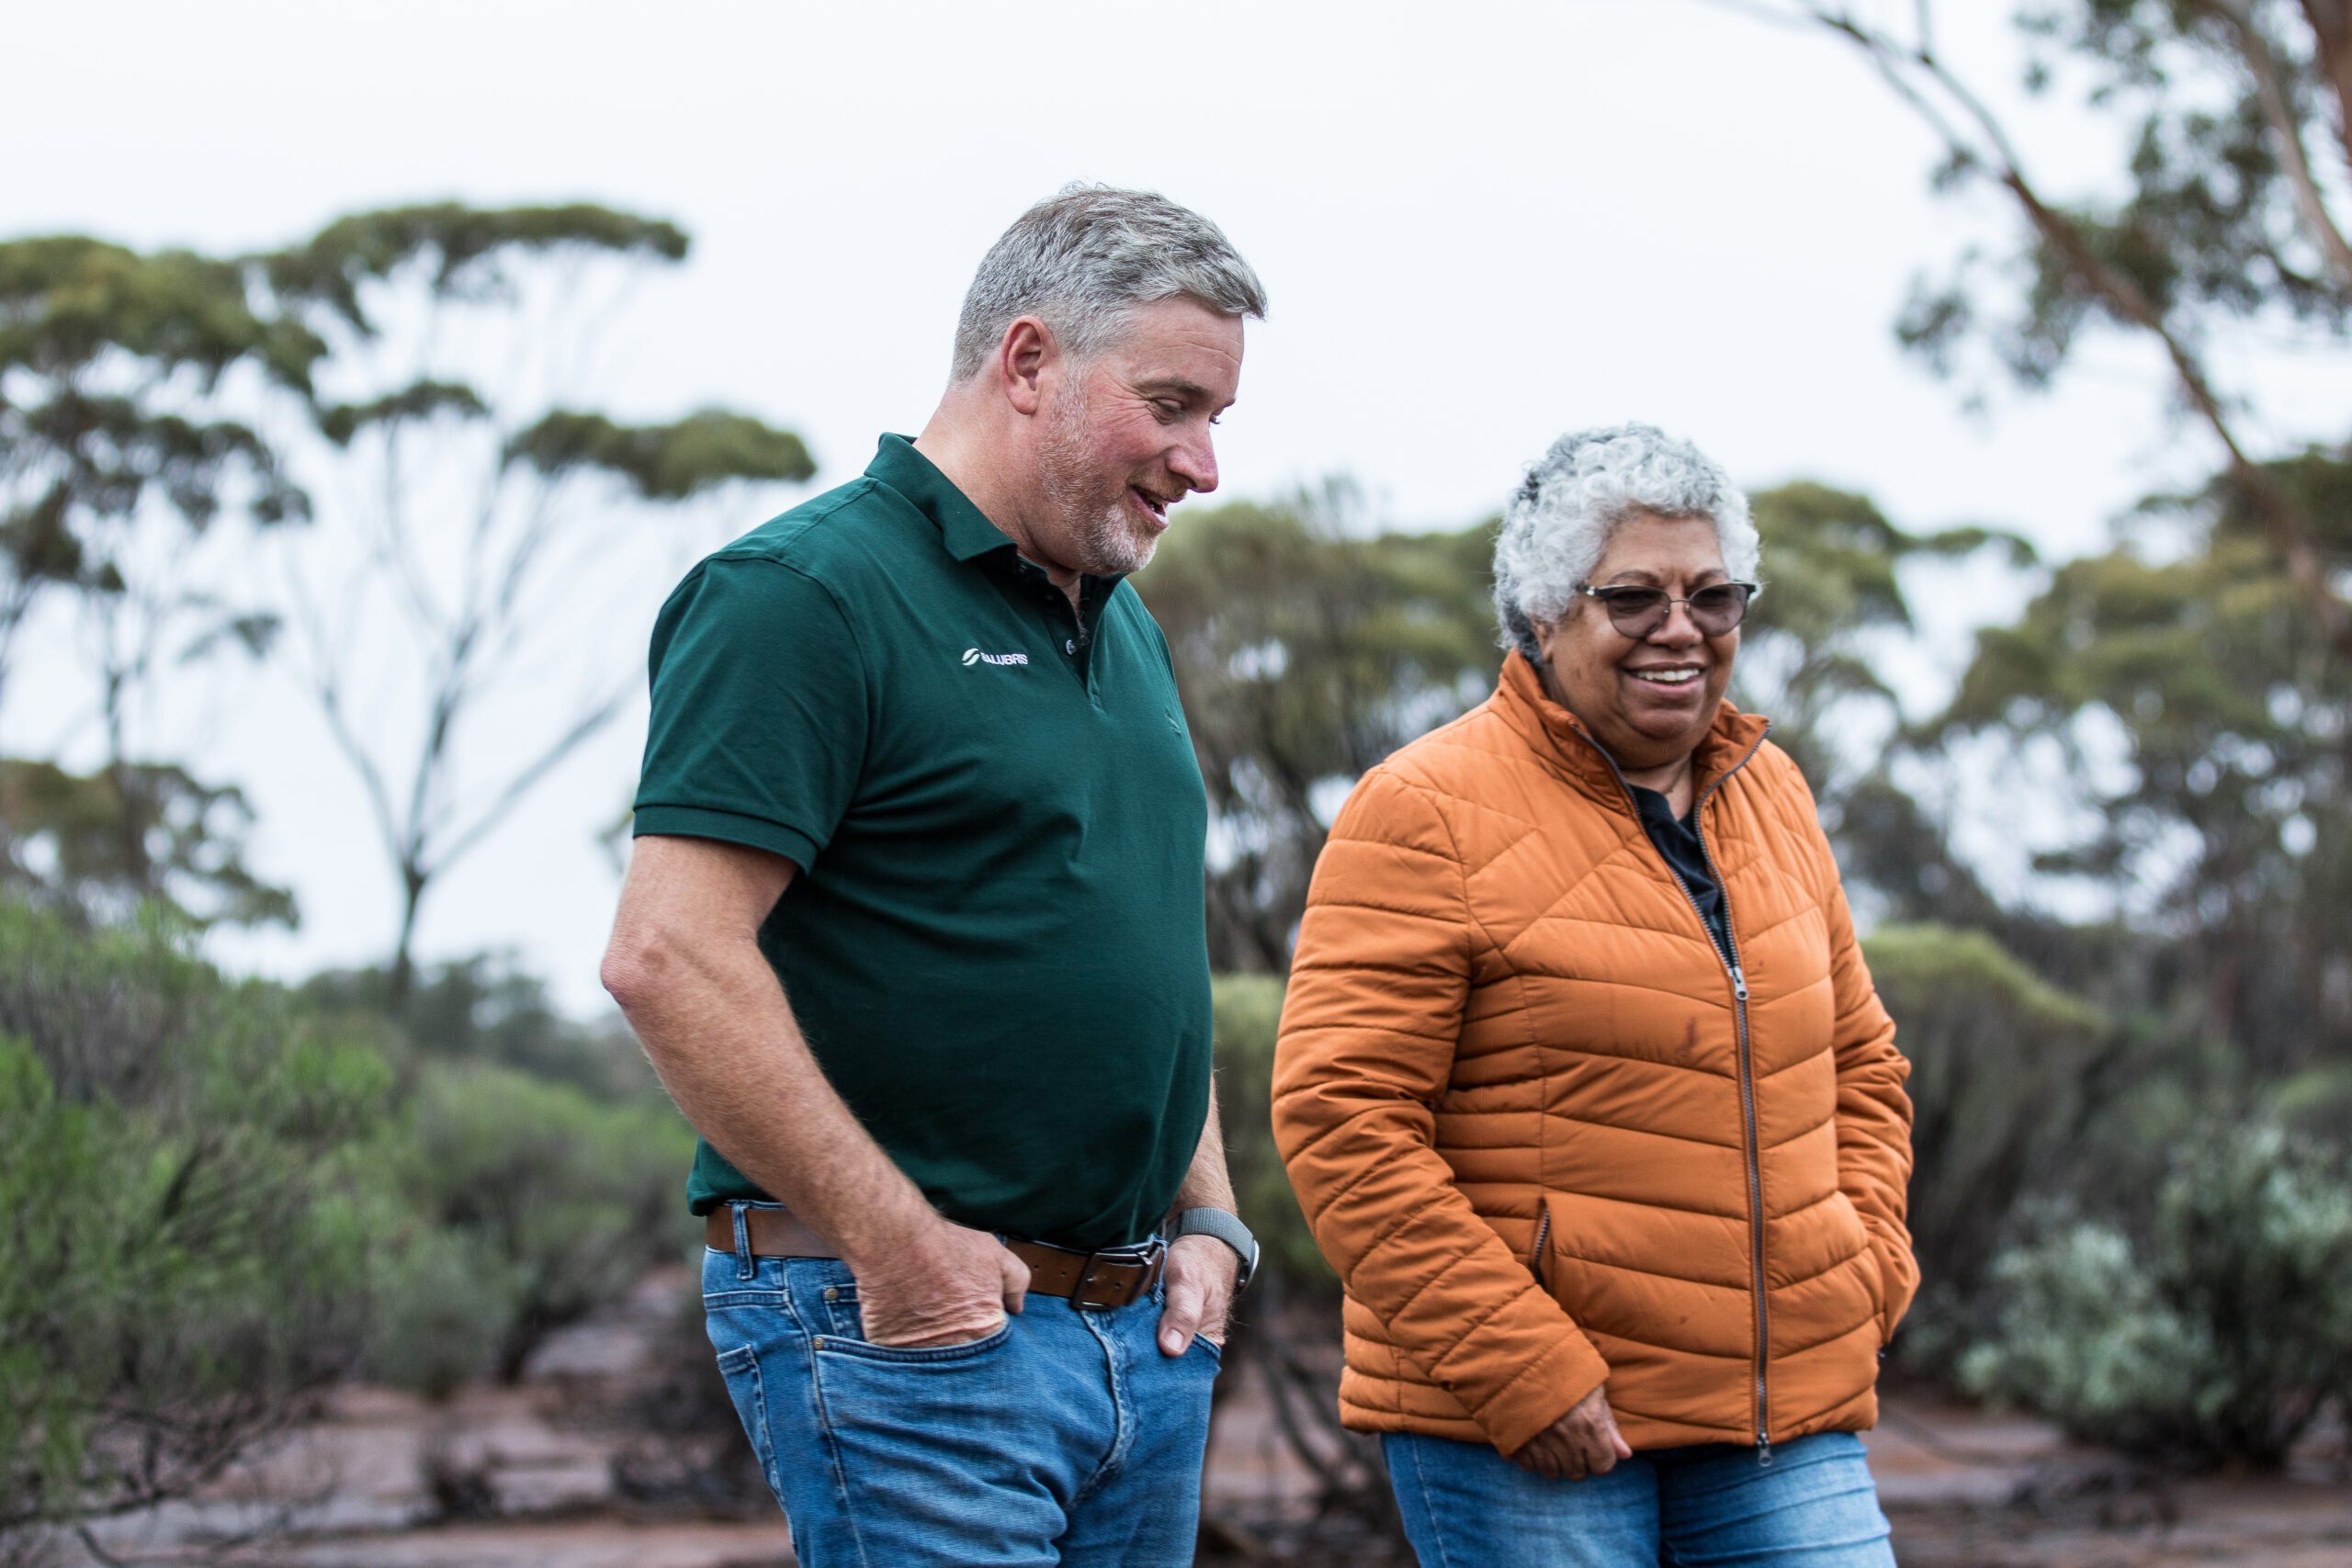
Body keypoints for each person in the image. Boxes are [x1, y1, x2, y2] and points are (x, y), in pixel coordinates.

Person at [601, 185, 1270, 1568]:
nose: (1203, 463)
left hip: (1140, 1338)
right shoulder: (803, 593)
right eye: (1172, 404)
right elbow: (667, 955)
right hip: (915, 1333)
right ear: (1027, 363)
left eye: (1218, 416)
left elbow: (1145, 952)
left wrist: (1206, 1216)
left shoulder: (1121, 620)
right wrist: (897, 1245)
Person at [1271, 424, 1916, 1566]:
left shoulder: (1774, 792)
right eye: (1633, 597)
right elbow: (1343, 1121)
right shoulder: (1421, 806)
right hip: (1536, 1428)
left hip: (1781, 1413)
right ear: (1540, 612)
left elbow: (1861, 1065)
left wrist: (1864, 1272)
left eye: (1714, 596)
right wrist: (1523, 1370)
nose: (1680, 629)